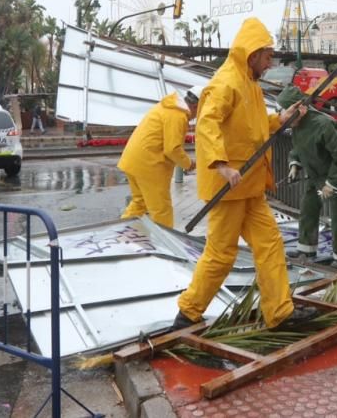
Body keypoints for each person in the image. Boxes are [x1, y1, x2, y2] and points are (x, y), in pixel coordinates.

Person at [173, 18, 310, 331]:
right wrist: (221, 165)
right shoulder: (226, 83)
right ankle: (188, 313)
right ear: (252, 54)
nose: (270, 61)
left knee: (270, 243)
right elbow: (207, 124)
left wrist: (283, 118)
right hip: (229, 187)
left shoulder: (250, 83)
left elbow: (257, 128)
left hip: (249, 186)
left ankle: (279, 312)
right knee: (221, 254)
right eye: (267, 55)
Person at [276, 84, 337, 270]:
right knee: (308, 207)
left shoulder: (323, 124)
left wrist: (332, 183)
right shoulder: (297, 123)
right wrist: (294, 164)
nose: (283, 117)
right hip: (316, 170)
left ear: (300, 109)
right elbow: (299, 147)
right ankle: (306, 248)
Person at [117, 85, 203, 227]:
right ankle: (165, 245)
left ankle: (121, 235)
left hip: (133, 160)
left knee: (140, 203)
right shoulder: (178, 115)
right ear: (196, 106)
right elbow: (172, 149)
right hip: (149, 165)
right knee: (161, 210)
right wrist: (189, 164)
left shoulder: (167, 107)